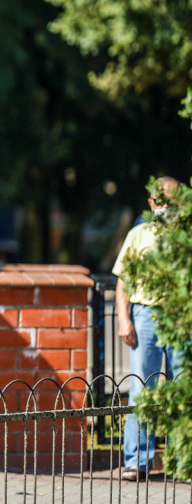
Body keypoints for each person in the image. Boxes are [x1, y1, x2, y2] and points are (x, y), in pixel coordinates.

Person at [114, 176, 185, 481]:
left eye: (173, 199)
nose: (167, 205)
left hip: (183, 316)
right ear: (152, 202)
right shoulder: (139, 234)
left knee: (185, 388)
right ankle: (136, 461)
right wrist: (123, 319)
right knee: (143, 389)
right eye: (162, 199)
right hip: (145, 316)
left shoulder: (187, 236)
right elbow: (122, 283)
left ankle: (185, 461)